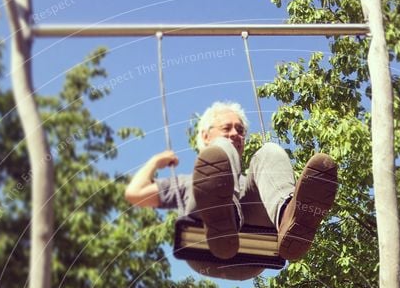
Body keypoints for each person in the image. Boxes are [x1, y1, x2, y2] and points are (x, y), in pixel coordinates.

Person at [125, 101, 338, 262]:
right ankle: (222, 220)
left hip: (257, 246)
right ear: (205, 136)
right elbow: (135, 194)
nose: (235, 134)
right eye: (226, 128)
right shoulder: (185, 183)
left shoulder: (258, 183)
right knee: (223, 149)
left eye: (240, 130)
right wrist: (155, 161)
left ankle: (289, 217)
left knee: (270, 151)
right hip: (204, 245)